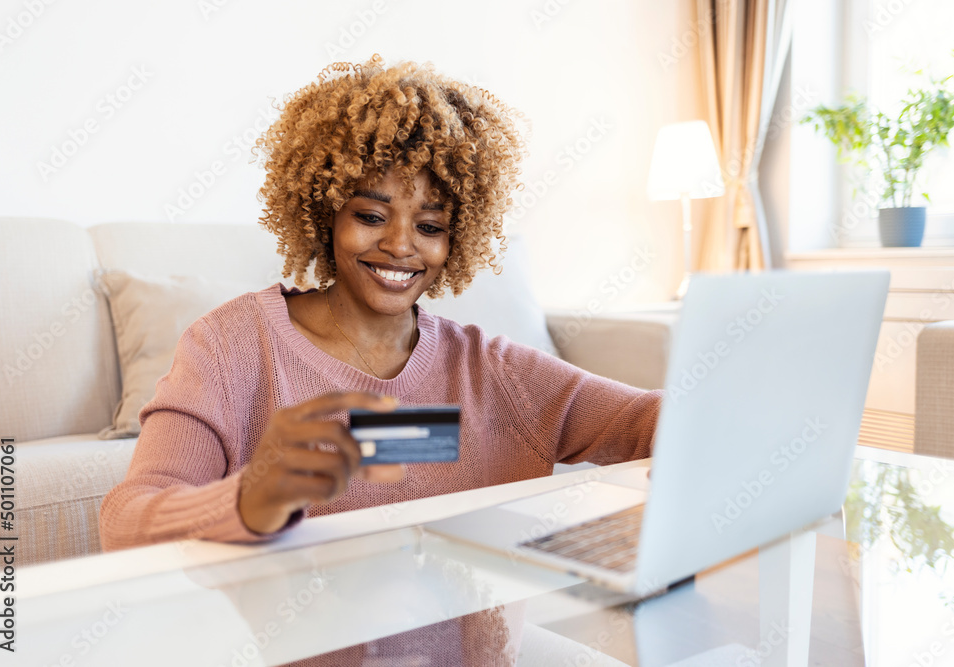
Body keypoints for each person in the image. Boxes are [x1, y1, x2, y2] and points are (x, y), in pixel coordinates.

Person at [99, 54, 663, 666]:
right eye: (370, 216)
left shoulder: (494, 373)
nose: (399, 245)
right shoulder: (233, 347)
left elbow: (647, 423)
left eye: (430, 224)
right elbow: (125, 520)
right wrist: (248, 499)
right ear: (324, 214)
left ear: (457, 236)